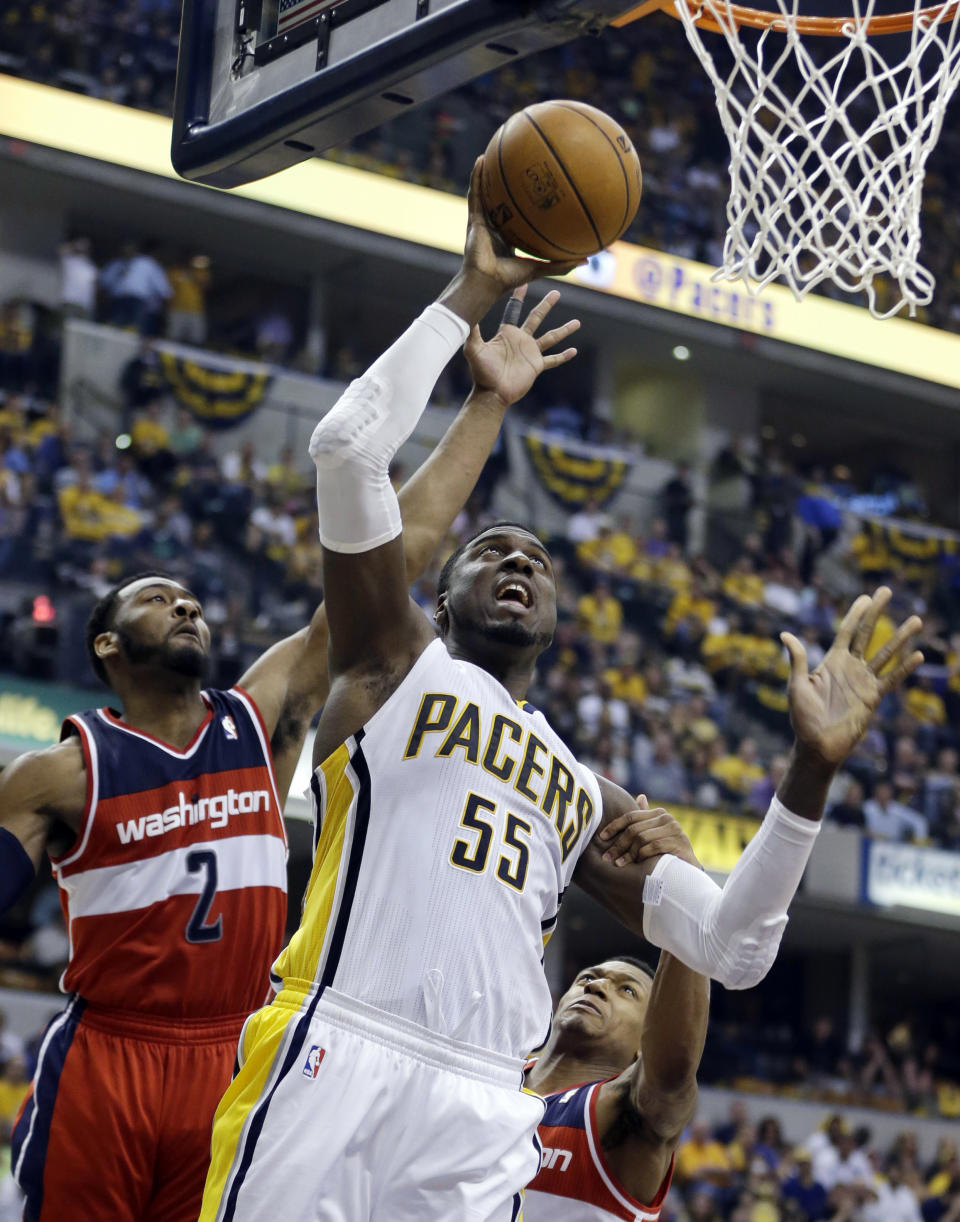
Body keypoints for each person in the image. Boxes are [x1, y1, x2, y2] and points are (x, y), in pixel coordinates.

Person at [199, 159, 923, 1222]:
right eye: (492, 549)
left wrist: (810, 774)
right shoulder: (390, 660)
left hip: (484, 1107)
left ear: (558, 616)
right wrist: (468, 300)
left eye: (538, 558)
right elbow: (346, 447)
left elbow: (734, 946)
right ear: (439, 595)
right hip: (339, 1043)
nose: (520, 562)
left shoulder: (586, 791)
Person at [0, 286, 559, 1222]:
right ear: (105, 644)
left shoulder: (260, 716)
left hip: (240, 1046)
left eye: (190, 597)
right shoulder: (61, 770)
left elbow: (397, 552)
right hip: (113, 1054)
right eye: (155, 598)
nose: (184, 606)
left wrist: (484, 406)